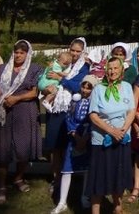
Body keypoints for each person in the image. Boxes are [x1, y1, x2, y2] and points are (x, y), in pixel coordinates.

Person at [0, 40, 43, 204]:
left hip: (25, 112)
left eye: (22, 52)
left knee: (23, 147)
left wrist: (17, 98)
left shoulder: (35, 69)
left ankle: (18, 178)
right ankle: (1, 185)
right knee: (3, 149)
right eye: (16, 52)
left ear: (28, 54)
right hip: (4, 111)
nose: (18, 55)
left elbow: (35, 92)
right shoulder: (3, 68)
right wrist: (5, 98)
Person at [87, 57, 136, 214]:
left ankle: (117, 206)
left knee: (119, 174)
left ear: (121, 70)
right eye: (109, 68)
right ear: (105, 70)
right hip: (102, 140)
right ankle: (95, 210)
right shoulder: (98, 89)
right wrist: (111, 131)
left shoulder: (128, 87)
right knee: (99, 176)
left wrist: (122, 130)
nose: (112, 71)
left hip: (122, 139)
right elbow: (93, 116)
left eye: (116, 68)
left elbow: (131, 111)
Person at [44, 37, 91, 195]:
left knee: (67, 145)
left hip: (71, 108)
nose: (75, 54)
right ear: (69, 49)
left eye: (79, 51)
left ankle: (69, 177)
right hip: (57, 107)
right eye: (73, 50)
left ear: (83, 51)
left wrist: (61, 79)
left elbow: (79, 85)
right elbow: (46, 77)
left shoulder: (84, 67)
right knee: (55, 146)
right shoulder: (61, 62)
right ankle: (56, 178)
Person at [51, 75, 97, 214]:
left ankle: (84, 196)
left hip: (87, 138)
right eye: (84, 86)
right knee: (67, 169)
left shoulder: (94, 103)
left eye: (89, 88)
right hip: (74, 138)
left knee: (87, 169)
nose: (85, 90)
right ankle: (62, 201)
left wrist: (85, 137)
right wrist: (75, 136)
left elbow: (94, 120)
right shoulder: (74, 101)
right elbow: (68, 118)